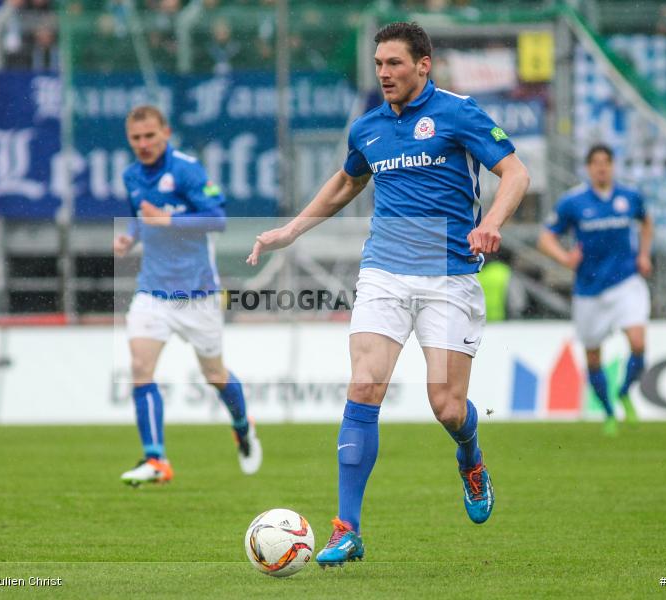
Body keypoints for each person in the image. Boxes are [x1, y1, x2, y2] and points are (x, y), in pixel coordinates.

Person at [247, 22, 529, 567]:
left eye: (394, 64)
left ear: (424, 65)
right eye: (379, 64)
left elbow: (514, 173)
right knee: (364, 384)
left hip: (449, 274)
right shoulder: (368, 127)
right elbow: (347, 182)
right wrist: (290, 230)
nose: (384, 73)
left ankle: (470, 458)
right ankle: (346, 528)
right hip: (385, 271)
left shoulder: (457, 112)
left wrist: (492, 220)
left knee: (446, 407)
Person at [113, 105, 261, 487]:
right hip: (152, 292)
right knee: (140, 368)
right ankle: (156, 459)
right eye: (136, 138)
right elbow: (140, 214)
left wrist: (169, 220)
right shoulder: (131, 175)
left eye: (150, 136)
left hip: (197, 294)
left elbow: (218, 219)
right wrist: (130, 235)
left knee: (214, 374)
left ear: (166, 132)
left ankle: (242, 426)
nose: (143, 144)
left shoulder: (186, 169)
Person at [538, 144, 653, 436]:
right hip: (589, 289)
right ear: (589, 168)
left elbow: (646, 221)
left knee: (638, 344)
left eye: (606, 162)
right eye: (596, 163)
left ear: (613, 166)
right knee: (593, 357)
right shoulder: (573, 202)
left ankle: (625, 391)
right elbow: (545, 237)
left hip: (626, 282)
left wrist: (643, 254)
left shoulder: (630, 196)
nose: (601, 167)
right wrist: (564, 258)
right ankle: (609, 411)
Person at [476, 247, 526, 321]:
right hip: (500, 325)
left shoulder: (468, 272)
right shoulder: (503, 271)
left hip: (475, 324)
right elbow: (518, 304)